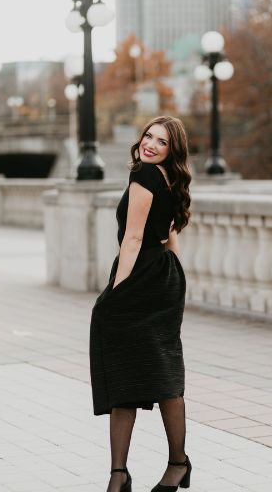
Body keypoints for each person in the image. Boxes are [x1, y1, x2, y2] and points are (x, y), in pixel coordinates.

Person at [89, 116, 193, 492]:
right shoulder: (170, 178)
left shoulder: (144, 177)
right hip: (165, 276)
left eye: (161, 142)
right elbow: (171, 239)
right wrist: (177, 279)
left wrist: (115, 293)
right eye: (148, 136)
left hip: (141, 276)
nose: (150, 144)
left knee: (124, 373)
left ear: (171, 150)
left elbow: (132, 240)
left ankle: (119, 474)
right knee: (163, 374)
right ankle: (176, 464)